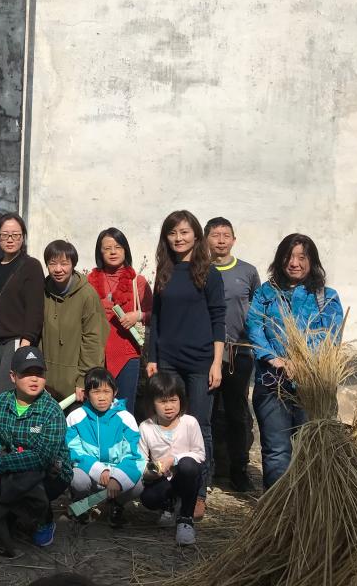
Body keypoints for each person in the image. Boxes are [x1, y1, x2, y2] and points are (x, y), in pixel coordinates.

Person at [144, 210, 224, 520]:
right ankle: (170, 489)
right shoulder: (164, 272)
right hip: (168, 361)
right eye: (172, 233)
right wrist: (152, 357)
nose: (178, 238)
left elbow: (218, 320)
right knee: (168, 423)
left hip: (201, 361)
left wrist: (216, 363)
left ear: (196, 236)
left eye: (184, 232)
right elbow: (157, 319)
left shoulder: (209, 273)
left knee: (199, 424)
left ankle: (199, 492)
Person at [247, 233, 343, 490]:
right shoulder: (266, 293)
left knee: (310, 449)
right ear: (280, 259)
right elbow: (254, 327)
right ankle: (277, 505)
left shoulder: (326, 296)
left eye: (302, 257)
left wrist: (304, 362)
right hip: (271, 383)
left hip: (311, 386)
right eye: (289, 257)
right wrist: (274, 358)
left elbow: (331, 337)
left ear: (313, 261)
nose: (294, 263)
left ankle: (308, 504)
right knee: (276, 451)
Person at [0, 346, 71, 556]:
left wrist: (0, 465)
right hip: (12, 470)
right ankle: (20, 512)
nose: (34, 379)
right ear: (13, 376)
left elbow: (42, 457)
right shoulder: (2, 402)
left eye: (39, 373)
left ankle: (44, 518)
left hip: (50, 473)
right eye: (27, 373)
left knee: (29, 486)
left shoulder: (52, 411)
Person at [205, 217, 261, 493]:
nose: (221, 240)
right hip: (207, 354)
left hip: (239, 352)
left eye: (226, 235)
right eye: (215, 235)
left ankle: (239, 471)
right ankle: (208, 472)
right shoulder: (200, 270)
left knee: (237, 414)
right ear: (206, 240)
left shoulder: (248, 272)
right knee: (207, 413)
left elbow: (258, 311)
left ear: (234, 240)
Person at [66, 368, 146, 526]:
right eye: (96, 392)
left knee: (139, 484)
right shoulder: (76, 417)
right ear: (86, 394)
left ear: (115, 393)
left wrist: (118, 478)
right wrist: (98, 470)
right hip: (90, 473)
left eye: (106, 392)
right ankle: (82, 504)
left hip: (115, 475)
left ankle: (115, 505)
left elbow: (133, 455)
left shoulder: (126, 418)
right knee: (77, 478)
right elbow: (72, 451)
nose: (102, 397)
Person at [86, 228, 152, 417]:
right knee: (95, 408)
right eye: (107, 248)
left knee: (124, 410)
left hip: (127, 354)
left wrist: (138, 316)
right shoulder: (89, 281)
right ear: (100, 252)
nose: (113, 252)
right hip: (95, 353)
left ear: (125, 250)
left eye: (118, 247)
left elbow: (154, 314)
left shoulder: (137, 282)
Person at [138, 372, 206, 546]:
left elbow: (200, 454)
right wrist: (153, 470)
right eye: (162, 401)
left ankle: (185, 518)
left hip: (186, 476)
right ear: (152, 403)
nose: (169, 407)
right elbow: (141, 462)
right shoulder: (146, 427)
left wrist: (173, 459)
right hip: (163, 479)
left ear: (181, 400)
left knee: (188, 466)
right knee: (148, 498)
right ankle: (168, 505)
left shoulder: (190, 422)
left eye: (173, 400)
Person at [0, 214, 44, 397]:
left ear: (23, 237)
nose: (10, 240)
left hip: (16, 341)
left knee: (6, 393)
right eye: (4, 235)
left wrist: (26, 342)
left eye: (15, 235)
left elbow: (35, 308)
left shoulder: (31, 266)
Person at [41, 240, 110, 404]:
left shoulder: (87, 295)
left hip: (75, 387)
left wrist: (84, 379)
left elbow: (93, 340)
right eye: (52, 264)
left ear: (73, 265)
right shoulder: (42, 291)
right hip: (45, 383)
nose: (58, 269)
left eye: (64, 263)